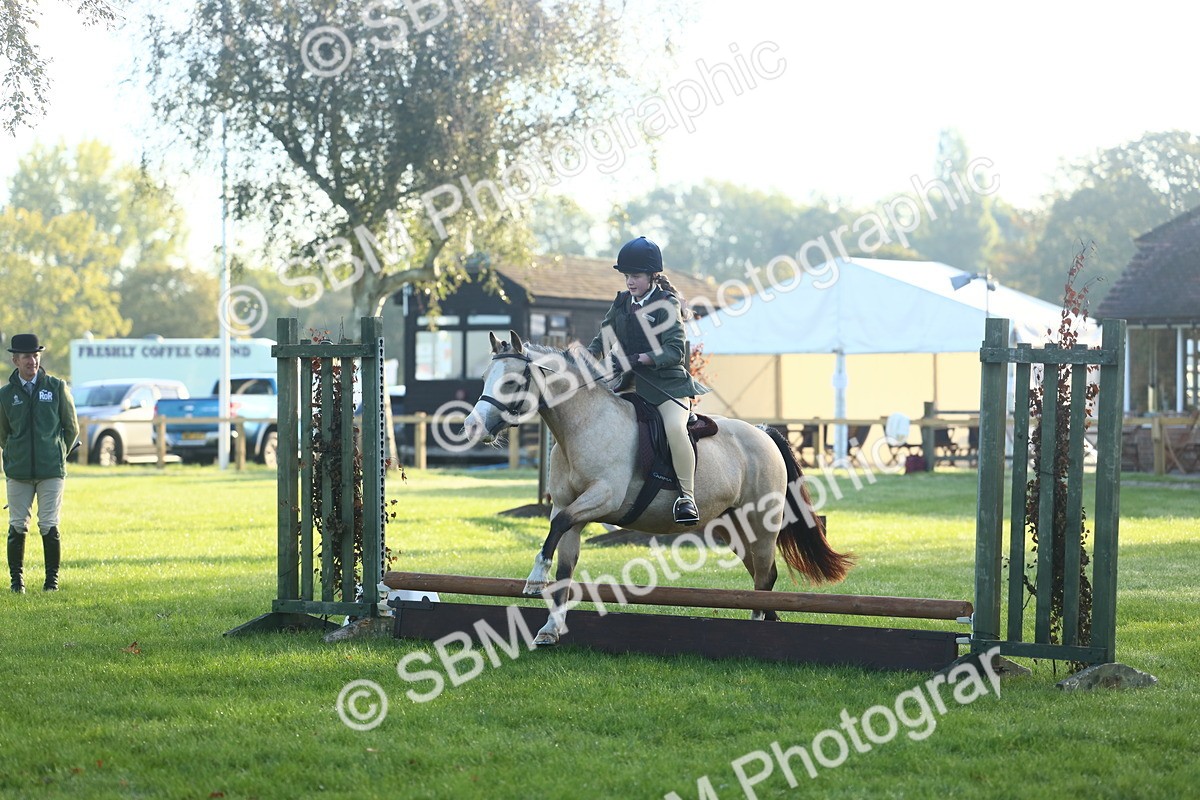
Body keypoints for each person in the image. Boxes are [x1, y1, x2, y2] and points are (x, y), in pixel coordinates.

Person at [587, 236, 709, 525]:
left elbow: (674, 351)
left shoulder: (666, 305)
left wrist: (641, 358)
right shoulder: (621, 304)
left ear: (652, 276)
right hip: (628, 384)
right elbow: (602, 338)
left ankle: (687, 498)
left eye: (636, 276)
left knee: (674, 428)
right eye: (627, 276)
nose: (630, 282)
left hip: (665, 387)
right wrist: (584, 359)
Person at [0, 334, 78, 593]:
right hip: (18, 471)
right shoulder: (5, 394)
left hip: (51, 471)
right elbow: (3, 433)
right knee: (17, 525)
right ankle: (16, 583)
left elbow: (71, 428)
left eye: (36, 355)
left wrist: (56, 453)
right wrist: (14, 452)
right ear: (15, 360)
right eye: (26, 356)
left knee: (48, 524)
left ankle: (51, 582)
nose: (32, 361)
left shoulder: (56, 387)